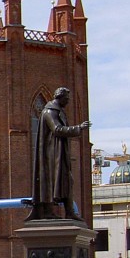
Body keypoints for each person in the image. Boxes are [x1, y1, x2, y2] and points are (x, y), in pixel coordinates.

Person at [30, 86, 91, 221]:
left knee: (66, 180)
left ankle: (69, 212)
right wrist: (78, 128)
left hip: (59, 151)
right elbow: (57, 129)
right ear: (60, 97)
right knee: (52, 181)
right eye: (67, 98)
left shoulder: (58, 111)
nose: (68, 101)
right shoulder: (49, 111)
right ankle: (48, 211)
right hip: (51, 155)